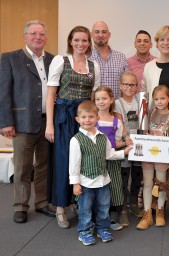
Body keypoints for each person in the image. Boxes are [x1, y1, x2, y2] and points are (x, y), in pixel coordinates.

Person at [0, 20, 55, 223]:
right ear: (25, 37)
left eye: (41, 34)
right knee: (23, 167)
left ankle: (41, 202)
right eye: (33, 34)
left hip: (48, 122)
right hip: (22, 122)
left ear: (46, 38)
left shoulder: (53, 60)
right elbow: (3, 92)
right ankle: (21, 206)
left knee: (44, 165)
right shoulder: (10, 58)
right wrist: (5, 121)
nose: (38, 37)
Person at [45, 25, 101, 229]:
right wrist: (49, 124)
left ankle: (80, 202)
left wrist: (95, 121)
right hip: (63, 117)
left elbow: (94, 97)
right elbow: (51, 93)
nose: (81, 44)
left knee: (84, 160)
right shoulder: (61, 60)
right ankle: (61, 206)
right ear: (70, 41)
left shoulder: (94, 65)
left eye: (85, 40)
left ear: (89, 43)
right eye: (77, 40)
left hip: (85, 118)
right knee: (63, 160)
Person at [69, 101, 131, 246]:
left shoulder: (103, 137)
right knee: (85, 209)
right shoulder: (76, 140)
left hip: (103, 180)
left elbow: (109, 155)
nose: (87, 120)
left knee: (104, 207)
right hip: (86, 182)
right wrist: (75, 183)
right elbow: (74, 164)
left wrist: (124, 152)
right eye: (84, 117)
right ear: (78, 119)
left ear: (97, 118)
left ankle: (102, 227)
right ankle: (84, 230)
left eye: (91, 117)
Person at [137, 85, 169, 230]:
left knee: (160, 184)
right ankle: (147, 213)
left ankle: (160, 211)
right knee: (148, 183)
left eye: (163, 98)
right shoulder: (148, 114)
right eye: (156, 99)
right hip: (148, 155)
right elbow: (142, 131)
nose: (159, 101)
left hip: (162, 156)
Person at [94, 86, 126, 231]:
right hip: (95, 160)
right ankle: (95, 217)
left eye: (104, 98)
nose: (101, 102)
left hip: (112, 160)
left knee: (112, 187)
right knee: (97, 187)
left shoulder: (116, 121)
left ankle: (110, 217)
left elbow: (118, 141)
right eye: (98, 99)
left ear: (111, 99)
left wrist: (127, 143)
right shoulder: (92, 120)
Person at [113, 71, 144, 225]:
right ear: (120, 86)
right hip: (125, 144)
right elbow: (120, 124)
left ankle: (133, 203)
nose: (129, 87)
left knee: (137, 174)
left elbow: (144, 121)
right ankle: (122, 208)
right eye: (126, 84)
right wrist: (126, 138)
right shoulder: (117, 103)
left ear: (137, 87)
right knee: (123, 176)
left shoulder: (140, 101)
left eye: (132, 84)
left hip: (139, 144)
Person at [90, 20, 129, 98]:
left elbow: (128, 84)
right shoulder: (85, 58)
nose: (100, 35)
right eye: (97, 32)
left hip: (117, 108)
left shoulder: (121, 57)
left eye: (104, 32)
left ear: (109, 35)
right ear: (91, 34)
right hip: (93, 108)